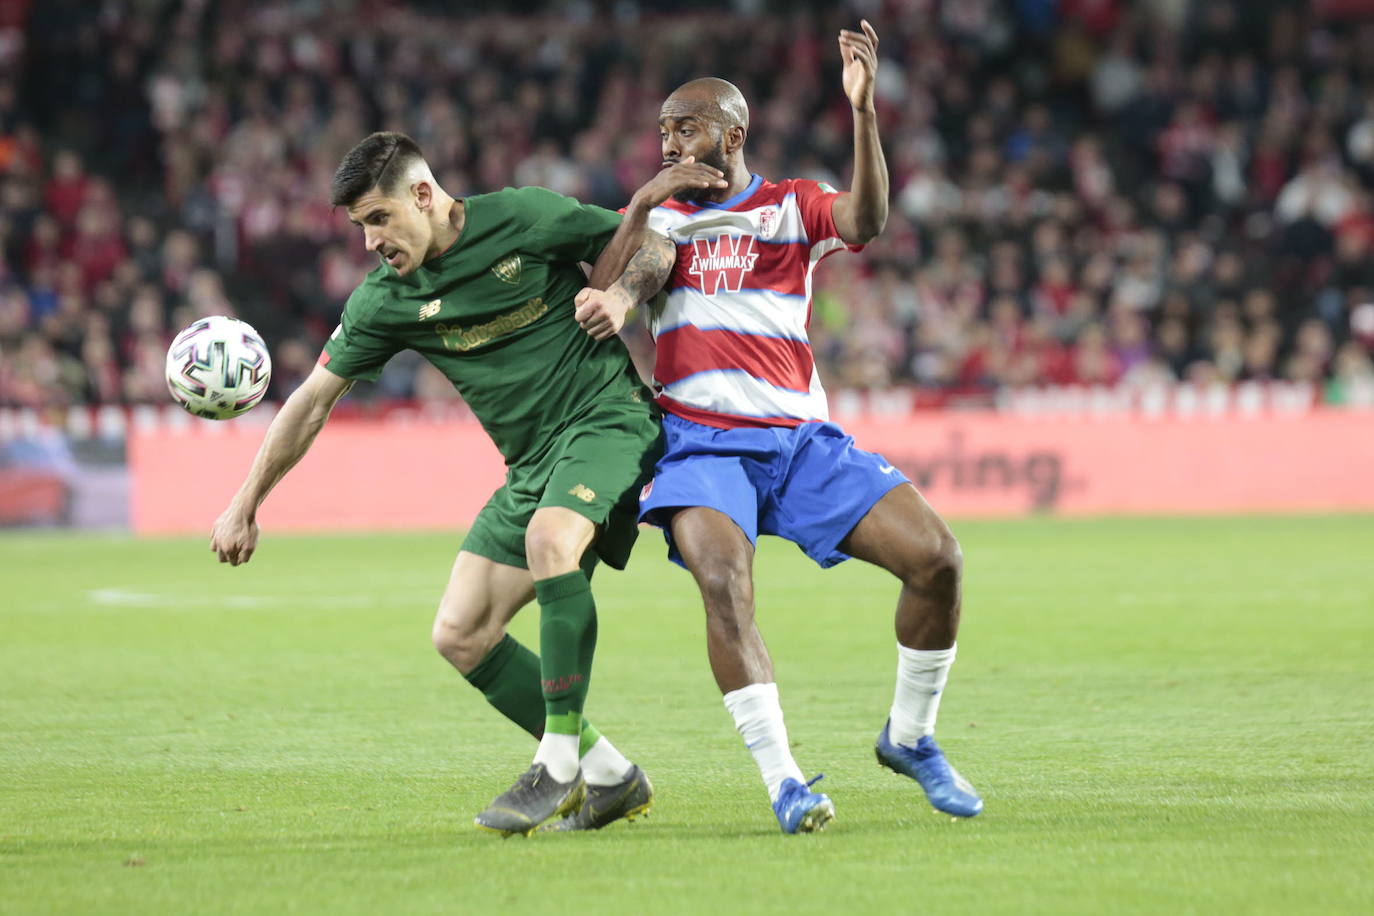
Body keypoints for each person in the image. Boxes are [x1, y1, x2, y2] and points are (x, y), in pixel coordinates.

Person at [208, 131, 726, 836]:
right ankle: (610, 775)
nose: (370, 243)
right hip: (532, 463)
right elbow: (311, 401)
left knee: (551, 541)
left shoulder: (525, 217)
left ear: (423, 195)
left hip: (607, 422)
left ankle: (558, 762)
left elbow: (656, 244)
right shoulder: (386, 299)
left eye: (378, 219)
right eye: (360, 227)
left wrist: (624, 297)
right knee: (460, 633)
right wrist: (245, 503)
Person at [574, 21, 982, 834]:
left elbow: (864, 221)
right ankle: (786, 782)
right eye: (660, 133)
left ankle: (911, 736)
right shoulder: (660, 222)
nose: (668, 143)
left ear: (732, 132)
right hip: (699, 448)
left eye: (683, 129)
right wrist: (638, 238)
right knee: (724, 587)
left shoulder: (790, 206)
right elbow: (617, 280)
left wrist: (863, 115)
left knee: (937, 560)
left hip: (799, 445)